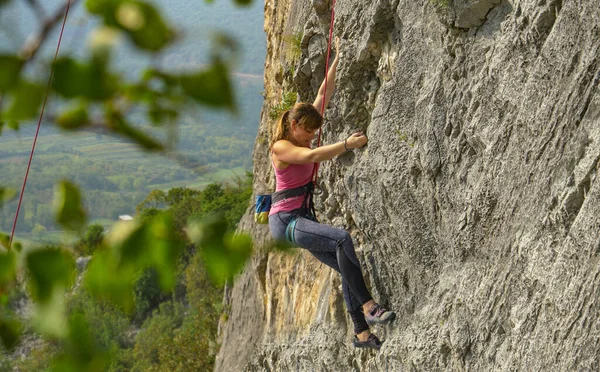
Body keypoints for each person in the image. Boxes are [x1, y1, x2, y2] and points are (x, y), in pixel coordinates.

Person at [268, 37, 395, 350]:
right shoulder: (281, 146)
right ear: (294, 124)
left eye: (314, 132)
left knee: (345, 263)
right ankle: (369, 306)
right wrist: (346, 145)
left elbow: (324, 92)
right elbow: (311, 158)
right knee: (341, 239)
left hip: (299, 217)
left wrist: (338, 55)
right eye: (309, 131)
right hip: (286, 221)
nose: (312, 137)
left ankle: (362, 334)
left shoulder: (302, 129)